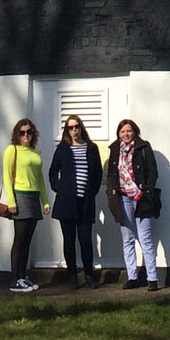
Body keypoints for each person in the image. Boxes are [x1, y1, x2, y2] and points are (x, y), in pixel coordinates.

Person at [48, 112, 103, 287]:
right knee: (69, 240)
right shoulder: (63, 149)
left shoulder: (91, 148)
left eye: (76, 127)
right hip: (66, 203)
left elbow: (97, 174)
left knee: (86, 239)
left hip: (85, 203)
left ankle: (89, 275)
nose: (74, 130)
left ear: (81, 128)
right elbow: (52, 172)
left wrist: (91, 192)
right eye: (70, 128)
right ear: (67, 130)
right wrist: (59, 188)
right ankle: (72, 275)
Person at [105, 117, 160, 289]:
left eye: (129, 131)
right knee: (127, 238)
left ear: (134, 131)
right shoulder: (115, 149)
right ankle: (132, 277)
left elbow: (153, 171)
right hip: (122, 198)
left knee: (145, 239)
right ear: (118, 134)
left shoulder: (144, 147)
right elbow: (111, 174)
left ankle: (152, 278)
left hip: (141, 198)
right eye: (122, 131)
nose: (126, 134)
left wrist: (147, 190)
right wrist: (110, 192)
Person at [0, 117, 49, 293]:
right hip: (20, 195)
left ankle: (22, 276)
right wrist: (11, 201)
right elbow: (6, 176)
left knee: (28, 240)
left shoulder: (35, 152)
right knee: (19, 240)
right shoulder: (12, 150)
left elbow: (40, 179)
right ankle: (14, 279)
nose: (26, 135)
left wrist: (45, 200)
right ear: (17, 134)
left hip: (34, 196)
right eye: (22, 132)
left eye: (29, 132)